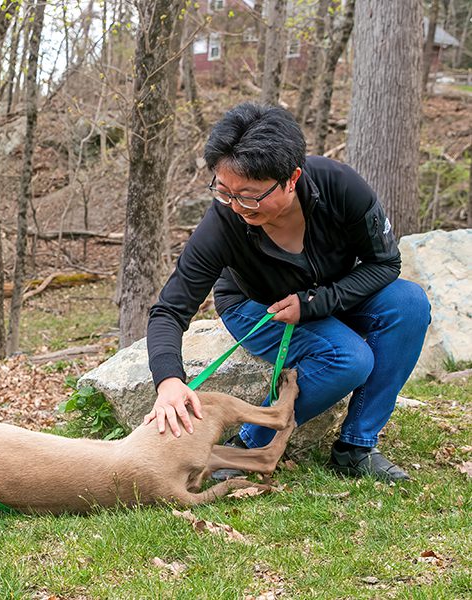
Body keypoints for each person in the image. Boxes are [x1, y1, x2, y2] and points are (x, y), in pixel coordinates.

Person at [143, 102, 430, 482]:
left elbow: (385, 263)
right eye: (224, 191)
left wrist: (315, 304)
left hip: (328, 293)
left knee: (409, 303)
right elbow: (169, 310)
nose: (237, 206)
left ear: (292, 178)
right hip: (256, 304)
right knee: (350, 358)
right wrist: (168, 381)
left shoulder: (340, 187)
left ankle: (356, 447)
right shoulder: (224, 222)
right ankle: (247, 446)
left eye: (250, 195)